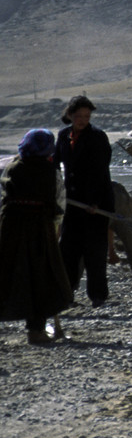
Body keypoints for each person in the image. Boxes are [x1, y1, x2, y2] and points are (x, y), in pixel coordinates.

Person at [0, 130, 75, 345]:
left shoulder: (12, 168)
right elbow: (59, 203)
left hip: (10, 230)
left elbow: (3, 200)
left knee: (7, 274)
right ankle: (36, 331)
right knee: (41, 277)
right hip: (39, 230)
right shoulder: (50, 172)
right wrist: (56, 227)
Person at [56, 96, 113, 309]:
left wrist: (95, 202)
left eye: (86, 117)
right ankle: (66, 293)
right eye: (78, 116)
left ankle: (98, 296)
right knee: (68, 249)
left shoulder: (97, 137)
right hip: (71, 202)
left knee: (95, 252)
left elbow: (100, 172)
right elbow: (56, 164)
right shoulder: (63, 136)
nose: (82, 120)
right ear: (70, 115)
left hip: (95, 203)